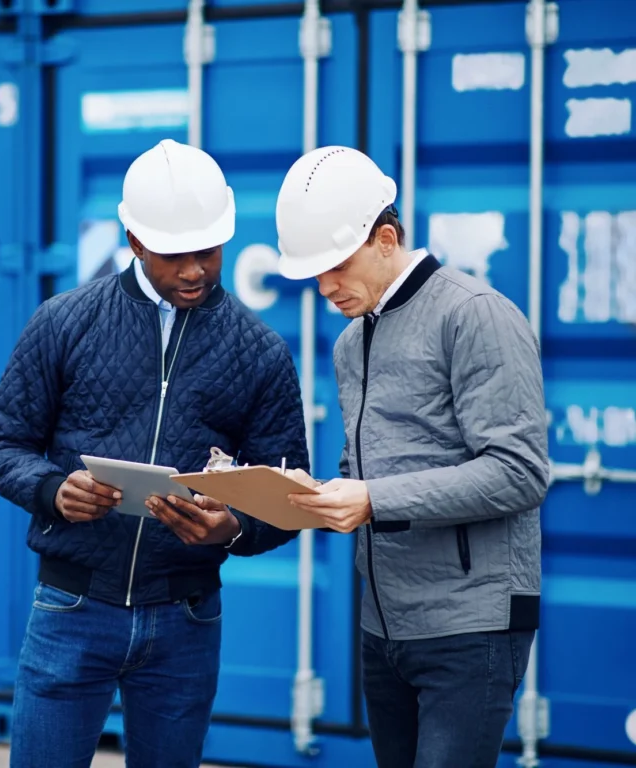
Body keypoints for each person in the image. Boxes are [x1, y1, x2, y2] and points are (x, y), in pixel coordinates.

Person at [0, 138, 309, 768]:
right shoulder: (63, 322)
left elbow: (290, 494)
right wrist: (52, 491)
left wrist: (233, 526)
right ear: (132, 240)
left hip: (185, 620)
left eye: (207, 251)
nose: (194, 271)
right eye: (174, 255)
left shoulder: (260, 353)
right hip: (71, 610)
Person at [271, 145, 549, 768]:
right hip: (384, 627)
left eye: (336, 266)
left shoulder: (474, 314)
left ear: (387, 237)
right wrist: (300, 492)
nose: (324, 288)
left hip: (471, 626)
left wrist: (372, 499)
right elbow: (368, 472)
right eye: (313, 274)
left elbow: (520, 470)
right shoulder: (351, 342)